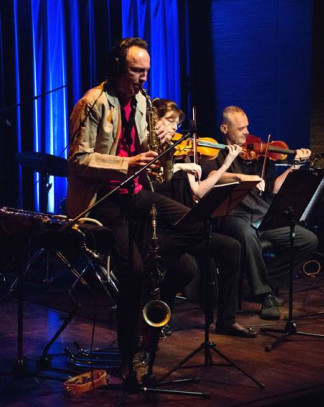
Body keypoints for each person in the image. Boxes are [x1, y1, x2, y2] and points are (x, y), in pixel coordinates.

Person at [66, 38, 237, 384]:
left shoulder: (144, 101)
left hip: (139, 194)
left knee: (195, 226)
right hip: (105, 198)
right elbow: (78, 159)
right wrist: (125, 163)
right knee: (135, 274)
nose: (143, 79)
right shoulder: (93, 101)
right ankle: (130, 357)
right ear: (116, 68)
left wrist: (164, 139)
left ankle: (149, 271)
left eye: (146, 72)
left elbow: (155, 160)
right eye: (135, 71)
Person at [151, 98, 259, 338]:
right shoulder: (149, 153)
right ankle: (159, 316)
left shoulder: (180, 154)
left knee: (231, 247)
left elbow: (199, 191)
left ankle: (226, 320)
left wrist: (227, 163)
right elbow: (151, 184)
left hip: (188, 225)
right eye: (169, 122)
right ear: (153, 122)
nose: (173, 129)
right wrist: (178, 169)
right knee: (183, 266)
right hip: (165, 228)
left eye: (176, 124)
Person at [200, 105, 318, 320]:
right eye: (241, 128)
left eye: (248, 127)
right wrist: (244, 178)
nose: (247, 132)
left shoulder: (257, 156)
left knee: (308, 239)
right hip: (232, 217)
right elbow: (214, 176)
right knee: (246, 234)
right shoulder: (213, 155)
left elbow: (274, 188)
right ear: (225, 129)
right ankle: (265, 295)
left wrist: (295, 166)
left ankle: (265, 280)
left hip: (262, 216)